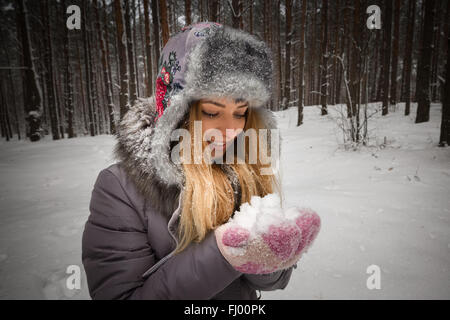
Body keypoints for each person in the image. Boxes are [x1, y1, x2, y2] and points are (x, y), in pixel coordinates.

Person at [82, 22, 298, 300]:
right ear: (176, 112)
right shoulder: (120, 188)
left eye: (240, 112)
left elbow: (275, 282)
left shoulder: (244, 169)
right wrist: (224, 253)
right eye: (211, 111)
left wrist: (266, 249)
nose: (230, 130)